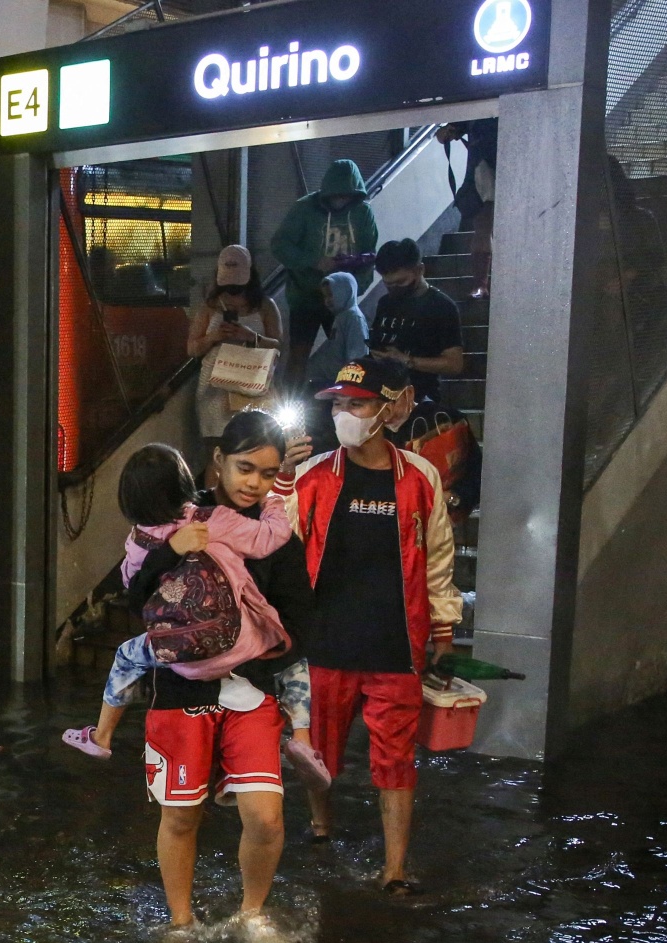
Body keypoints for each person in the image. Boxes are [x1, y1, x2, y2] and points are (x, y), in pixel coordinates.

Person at [87, 445, 295, 938]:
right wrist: (277, 504)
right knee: (180, 816)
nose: (254, 482)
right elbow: (137, 599)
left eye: (267, 474)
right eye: (246, 469)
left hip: (248, 685)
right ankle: (182, 921)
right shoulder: (190, 526)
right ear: (216, 463)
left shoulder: (163, 531)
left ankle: (252, 914)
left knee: (265, 819)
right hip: (181, 691)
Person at [274, 356, 462, 897]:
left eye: (356, 405)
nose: (344, 415)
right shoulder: (311, 476)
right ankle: (321, 822)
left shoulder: (421, 477)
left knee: (396, 760)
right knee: (318, 755)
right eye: (338, 405)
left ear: (388, 409)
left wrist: (444, 632)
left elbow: (439, 560)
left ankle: (395, 868)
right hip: (324, 643)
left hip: (394, 646)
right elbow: (278, 541)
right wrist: (283, 479)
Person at [271, 159, 378, 389]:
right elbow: (279, 244)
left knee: (349, 354)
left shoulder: (363, 212)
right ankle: (291, 407)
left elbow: (369, 255)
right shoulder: (304, 208)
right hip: (305, 297)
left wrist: (353, 289)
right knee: (298, 355)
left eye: (346, 196)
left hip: (342, 301)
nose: (340, 200)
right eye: (335, 196)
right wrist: (314, 262)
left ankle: (345, 403)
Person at [188, 244, 284, 464]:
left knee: (255, 447)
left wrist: (250, 337)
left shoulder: (265, 306)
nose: (232, 288)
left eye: (237, 283)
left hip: (253, 384)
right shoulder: (210, 307)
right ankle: (216, 497)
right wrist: (214, 337)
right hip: (216, 389)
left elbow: (278, 345)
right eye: (228, 282)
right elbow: (191, 349)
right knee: (217, 452)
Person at [369, 239, 465, 407]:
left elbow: (454, 364)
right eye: (388, 284)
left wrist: (407, 360)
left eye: (401, 282)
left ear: (420, 270)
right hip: (383, 396)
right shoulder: (385, 302)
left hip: (420, 399)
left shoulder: (442, 307)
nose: (394, 289)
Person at [437, 121, 498, 299]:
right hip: (484, 167)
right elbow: (443, 135)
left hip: (502, 164)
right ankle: (481, 283)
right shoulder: (479, 101)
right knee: (483, 227)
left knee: (484, 228)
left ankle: (481, 284)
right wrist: (450, 130)